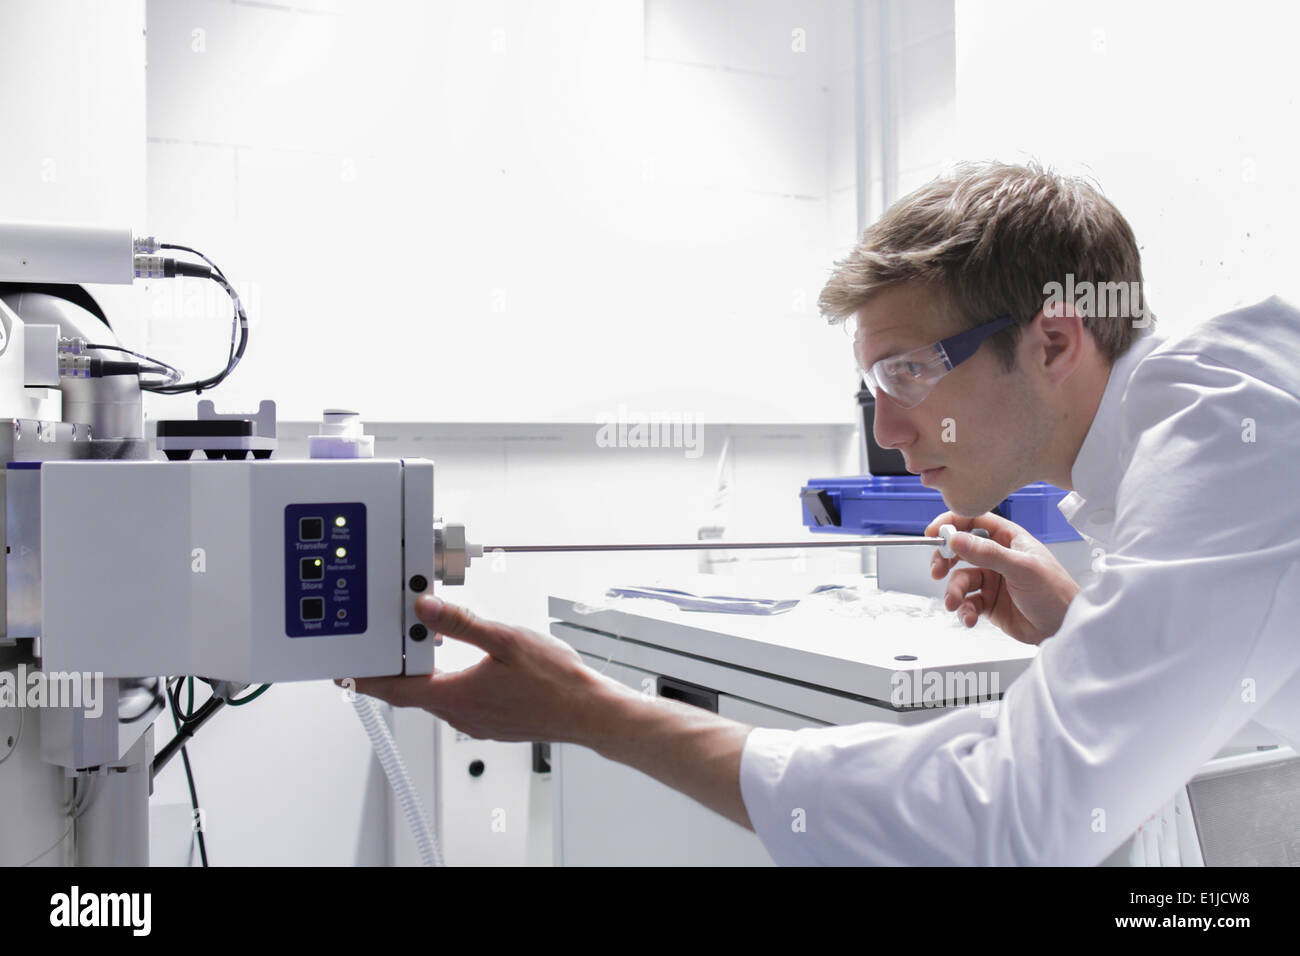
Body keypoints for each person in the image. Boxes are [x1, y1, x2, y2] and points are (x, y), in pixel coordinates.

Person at [351, 162, 1300, 864]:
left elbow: (1011, 815)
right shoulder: (1205, 421)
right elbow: (1255, 683)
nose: (887, 429)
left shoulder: (1228, 425)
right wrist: (1083, 623)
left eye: (907, 372)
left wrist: (595, 712)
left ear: (1053, 339)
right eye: (871, 383)